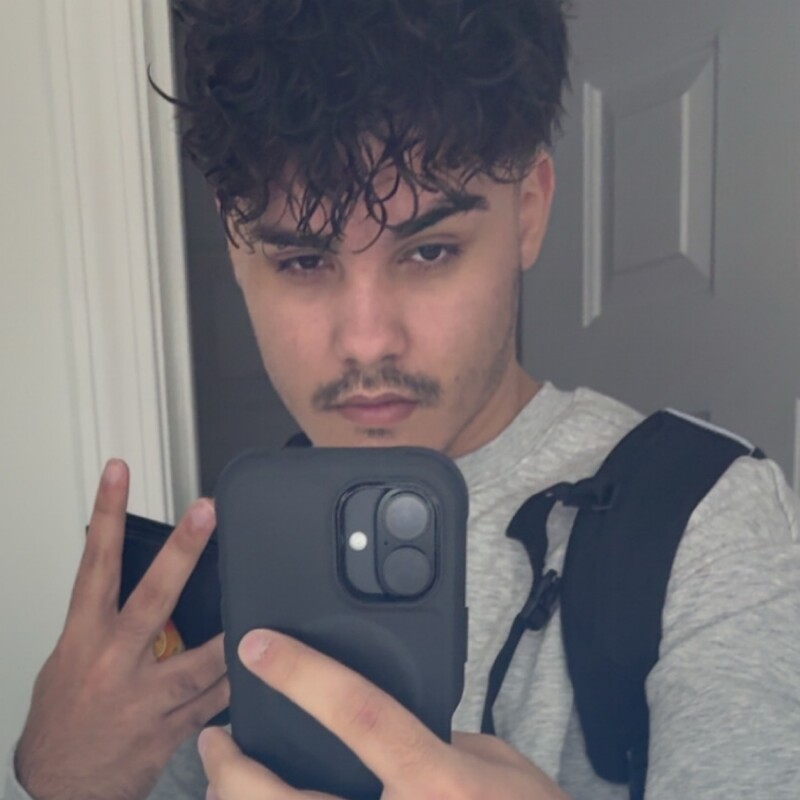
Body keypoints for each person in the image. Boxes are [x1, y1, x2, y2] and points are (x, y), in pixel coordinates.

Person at [7, 1, 800, 798]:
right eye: (304, 262)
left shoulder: (708, 524)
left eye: (429, 251)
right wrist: (59, 773)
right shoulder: (238, 542)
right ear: (237, 247)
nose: (366, 341)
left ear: (528, 211)